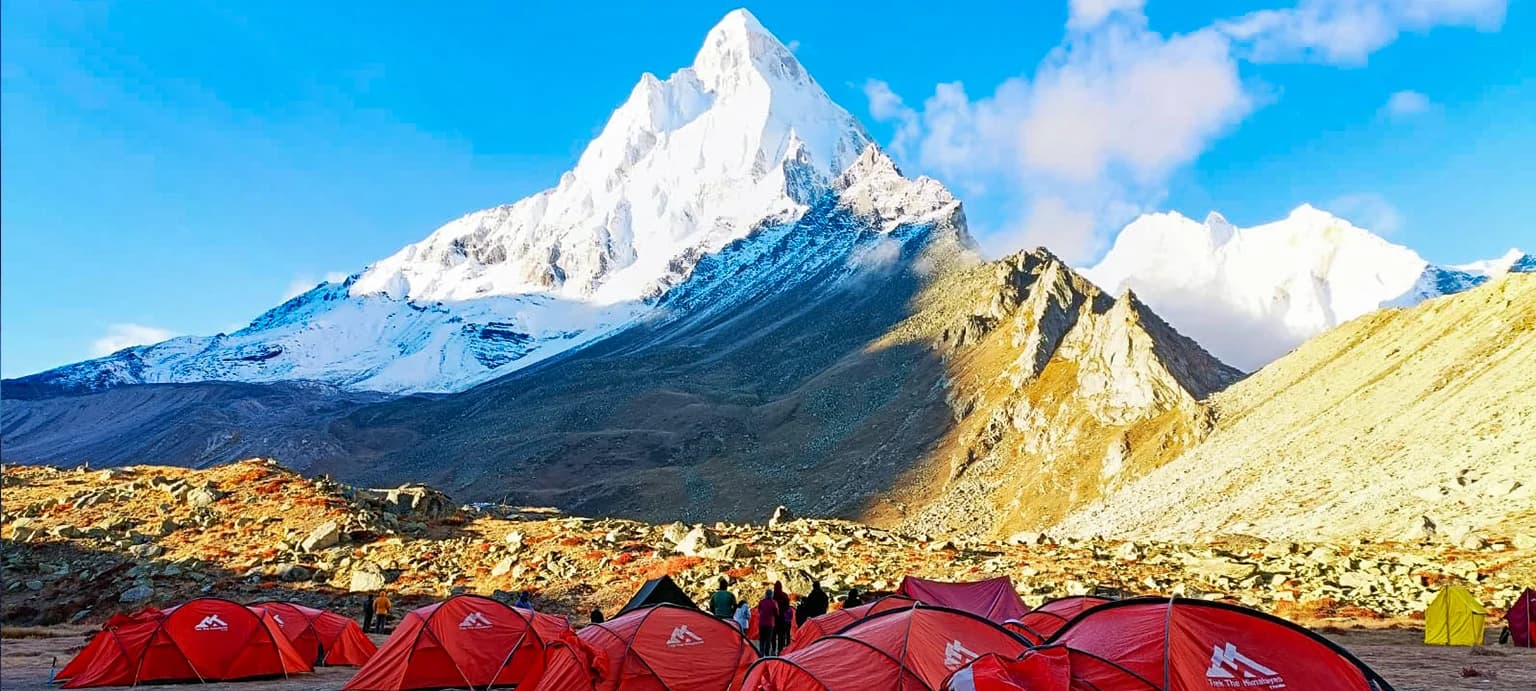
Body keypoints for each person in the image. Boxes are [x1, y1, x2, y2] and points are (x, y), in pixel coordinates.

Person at [756, 590, 779, 655]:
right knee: (768, 639)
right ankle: (767, 653)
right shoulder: (774, 602)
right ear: (772, 595)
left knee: (762, 639)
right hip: (770, 624)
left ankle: (761, 652)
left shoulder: (761, 602)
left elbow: (759, 610)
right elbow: (776, 613)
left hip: (762, 623)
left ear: (765, 594)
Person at [772, 582, 792, 655]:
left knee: (773, 636)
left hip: (773, 619)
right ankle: (780, 651)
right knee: (781, 635)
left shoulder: (772, 596)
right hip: (781, 618)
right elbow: (787, 607)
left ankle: (773, 649)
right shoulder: (784, 595)